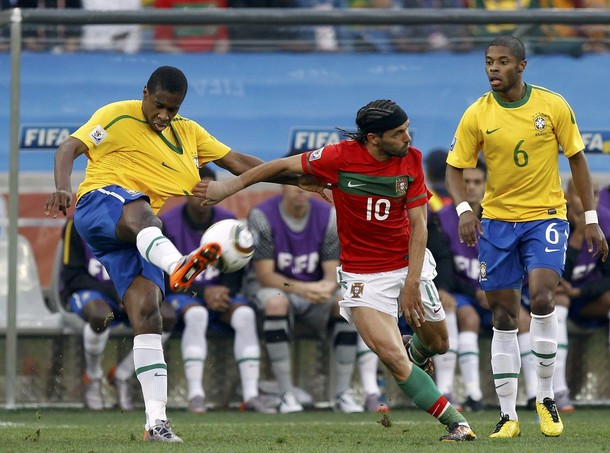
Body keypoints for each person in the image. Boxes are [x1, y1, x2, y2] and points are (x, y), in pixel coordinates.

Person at [197, 99, 477, 442]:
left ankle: (416, 349)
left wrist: (411, 284)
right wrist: (228, 187)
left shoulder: (411, 160)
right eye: (398, 133)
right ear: (373, 138)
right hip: (362, 278)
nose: (407, 138)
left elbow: (420, 227)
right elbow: (279, 167)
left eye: (406, 130)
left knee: (439, 343)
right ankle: (457, 423)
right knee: (392, 358)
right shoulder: (339, 157)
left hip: (407, 265)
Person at [43, 65, 288, 443]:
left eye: (172, 109)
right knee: (146, 215)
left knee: (148, 315)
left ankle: (156, 423)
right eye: (158, 105)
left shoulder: (189, 133)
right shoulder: (117, 114)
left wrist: (300, 176)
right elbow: (68, 148)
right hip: (99, 206)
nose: (164, 115)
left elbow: (238, 163)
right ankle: (178, 264)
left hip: (136, 237)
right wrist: (63, 186)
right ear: (145, 92)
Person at [444, 35, 608, 439]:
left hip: (545, 217)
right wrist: (465, 209)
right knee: (502, 316)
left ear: (521, 66)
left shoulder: (552, 105)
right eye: (489, 61)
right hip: (498, 223)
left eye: (502, 61)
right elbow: (454, 167)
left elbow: (577, 161)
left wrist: (590, 218)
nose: (493, 68)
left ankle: (546, 397)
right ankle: (507, 416)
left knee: (542, 296)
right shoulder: (477, 113)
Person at [245, 183, 378, 414]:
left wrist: (327, 287)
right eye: (293, 184)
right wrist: (301, 288)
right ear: (282, 187)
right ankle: (286, 394)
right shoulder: (262, 216)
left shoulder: (328, 216)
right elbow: (266, 276)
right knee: (276, 302)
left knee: (345, 303)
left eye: (305, 185)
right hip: (278, 288)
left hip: (311, 288)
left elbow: (332, 273)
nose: (300, 190)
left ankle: (342, 393)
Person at [160, 166, 275, 414]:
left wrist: (224, 290)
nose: (202, 196)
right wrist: (203, 294)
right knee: (197, 314)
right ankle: (196, 395)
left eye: (208, 189)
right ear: (186, 191)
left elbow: (239, 266)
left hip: (220, 295)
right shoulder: (167, 223)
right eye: (197, 190)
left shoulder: (228, 223)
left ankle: (251, 395)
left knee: (245, 315)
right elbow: (165, 273)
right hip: (182, 295)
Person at [59, 217, 176, 412]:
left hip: (131, 291)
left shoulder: (146, 219)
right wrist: (117, 292)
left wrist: (134, 292)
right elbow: (72, 275)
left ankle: (122, 374)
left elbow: (158, 272)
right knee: (100, 315)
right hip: (94, 292)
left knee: (167, 317)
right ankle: (93, 376)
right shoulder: (79, 220)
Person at [427, 160, 489, 412]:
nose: (471, 187)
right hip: (460, 292)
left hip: (494, 293)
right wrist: (473, 292)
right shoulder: (440, 219)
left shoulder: (499, 219)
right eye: (466, 182)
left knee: (525, 320)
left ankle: (540, 394)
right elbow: (443, 264)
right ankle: (464, 391)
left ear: (486, 185)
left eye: (477, 182)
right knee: (466, 315)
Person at [559, 179, 610, 358]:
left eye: (594, 194)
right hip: (556, 297)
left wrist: (579, 292)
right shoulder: (556, 223)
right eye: (580, 194)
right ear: (567, 197)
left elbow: (609, 276)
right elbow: (558, 278)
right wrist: (579, 234)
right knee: (558, 298)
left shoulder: (604, 222)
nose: (588, 200)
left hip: (584, 297)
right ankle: (555, 376)